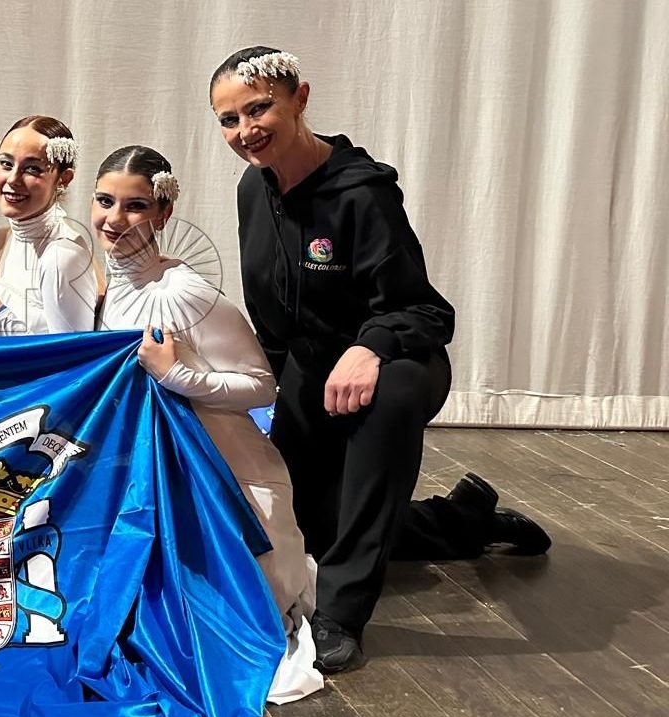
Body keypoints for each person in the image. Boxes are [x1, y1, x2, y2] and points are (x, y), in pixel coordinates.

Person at [209, 47, 550, 672]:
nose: (245, 130)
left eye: (258, 109)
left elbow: (426, 310)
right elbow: (274, 320)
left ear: (300, 99)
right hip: (314, 376)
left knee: (387, 400)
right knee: (311, 528)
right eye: (229, 119)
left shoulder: (363, 194)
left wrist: (370, 347)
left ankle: (342, 614)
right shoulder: (252, 191)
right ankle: (463, 523)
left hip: (398, 363)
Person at [94, 144, 322, 701]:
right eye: (104, 201)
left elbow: (262, 385)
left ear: (164, 213)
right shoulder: (111, 284)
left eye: (135, 206)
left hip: (224, 479)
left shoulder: (187, 292)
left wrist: (178, 376)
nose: (114, 219)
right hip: (156, 471)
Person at [0, 115, 97, 336]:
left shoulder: (64, 256)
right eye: (6, 164)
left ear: (64, 179)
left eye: (32, 169)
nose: (13, 179)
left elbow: (70, 351)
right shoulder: (5, 238)